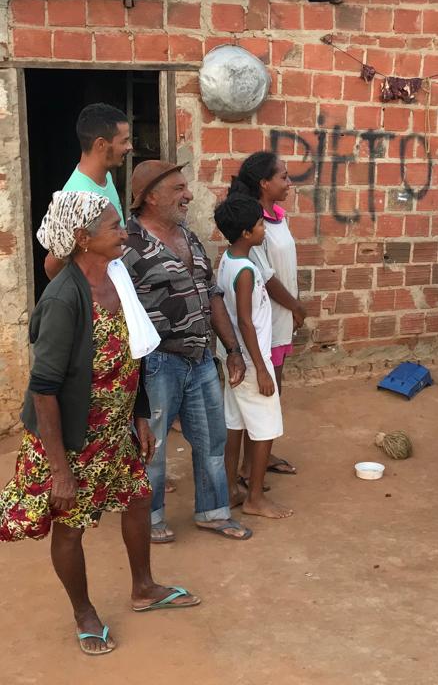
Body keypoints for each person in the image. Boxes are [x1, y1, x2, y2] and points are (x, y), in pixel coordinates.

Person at [0, 191, 200, 657]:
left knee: (138, 498)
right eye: (114, 226)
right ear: (82, 238)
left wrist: (139, 416)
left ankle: (143, 588)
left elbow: (133, 353)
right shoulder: (64, 299)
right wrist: (60, 471)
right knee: (71, 526)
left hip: (113, 429)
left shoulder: (117, 278)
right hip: (70, 441)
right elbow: (44, 389)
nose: (125, 233)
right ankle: (84, 612)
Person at [122, 160, 253, 543]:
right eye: (179, 188)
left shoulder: (188, 237)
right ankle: (149, 519)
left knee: (212, 439)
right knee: (152, 445)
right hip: (156, 363)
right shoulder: (127, 245)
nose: (189, 195)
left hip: (200, 359)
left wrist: (232, 348)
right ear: (150, 197)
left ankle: (213, 512)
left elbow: (212, 294)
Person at [226, 151, 306, 483]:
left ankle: (260, 454)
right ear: (264, 183)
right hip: (267, 318)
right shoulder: (253, 224)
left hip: (282, 316)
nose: (289, 183)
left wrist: (294, 306)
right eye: (283, 177)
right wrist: (296, 306)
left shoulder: (277, 217)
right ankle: (250, 466)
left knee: (274, 387)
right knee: (264, 393)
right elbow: (267, 276)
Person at [214, 196, 294, 520]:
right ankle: (255, 498)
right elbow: (246, 321)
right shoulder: (245, 270)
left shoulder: (228, 259)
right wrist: (261, 369)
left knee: (235, 421)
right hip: (250, 361)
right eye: (261, 225)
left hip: (235, 356)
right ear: (247, 233)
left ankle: (230, 488)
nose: (264, 229)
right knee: (266, 426)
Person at [43, 103, 133, 280]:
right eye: (123, 141)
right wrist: (85, 292)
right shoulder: (77, 196)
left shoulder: (105, 177)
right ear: (101, 144)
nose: (129, 147)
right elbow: (52, 265)